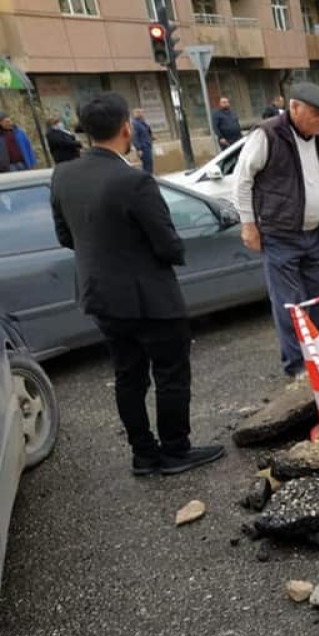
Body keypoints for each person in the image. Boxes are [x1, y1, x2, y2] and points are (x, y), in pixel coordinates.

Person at [50, 92, 225, 476]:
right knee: (170, 374)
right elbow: (167, 243)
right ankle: (176, 451)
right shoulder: (134, 181)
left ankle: (143, 456)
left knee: (127, 375)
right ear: (127, 127)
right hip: (150, 298)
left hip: (100, 296)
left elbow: (66, 236)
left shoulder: (63, 175)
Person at [233, 83, 319, 378]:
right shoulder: (267, 135)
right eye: (316, 114)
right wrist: (248, 225)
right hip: (280, 235)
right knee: (289, 305)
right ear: (294, 108)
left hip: (313, 234)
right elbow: (242, 180)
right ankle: (297, 367)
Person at [132, 108, 154, 174]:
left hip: (148, 145)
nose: (142, 114)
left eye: (142, 112)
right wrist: (138, 149)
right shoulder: (135, 124)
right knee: (147, 165)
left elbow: (147, 132)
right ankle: (147, 180)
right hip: (143, 147)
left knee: (149, 164)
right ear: (136, 114)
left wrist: (151, 137)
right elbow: (134, 137)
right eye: (140, 113)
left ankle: (150, 177)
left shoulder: (143, 123)